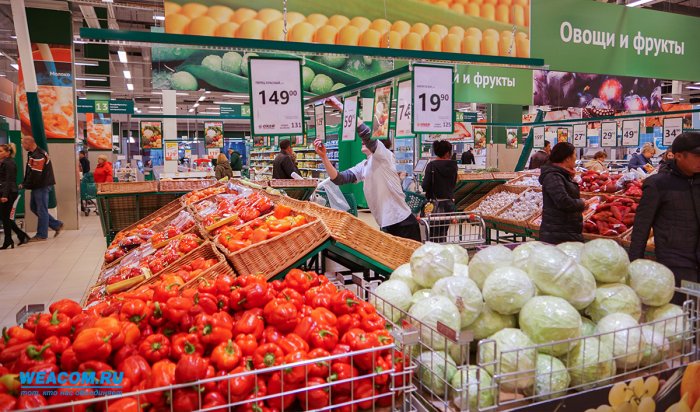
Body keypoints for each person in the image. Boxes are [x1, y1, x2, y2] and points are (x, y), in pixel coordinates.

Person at [315, 98, 421, 242]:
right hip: (386, 224)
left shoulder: (384, 157)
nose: (363, 140)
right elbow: (339, 179)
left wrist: (341, 107)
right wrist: (324, 157)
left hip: (403, 223)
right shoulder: (365, 165)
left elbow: (365, 134)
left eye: (369, 140)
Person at [630, 132, 700, 289]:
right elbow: (642, 226)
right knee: (681, 309)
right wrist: (634, 265)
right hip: (675, 263)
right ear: (679, 156)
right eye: (697, 155)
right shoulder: (658, 184)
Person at [539, 142, 585, 244]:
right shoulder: (553, 176)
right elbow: (563, 201)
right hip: (558, 234)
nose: (575, 158)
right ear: (567, 158)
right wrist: (582, 203)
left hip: (565, 231)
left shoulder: (563, 175)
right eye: (574, 155)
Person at [20, 136, 63, 241]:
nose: (22, 146)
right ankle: (56, 224)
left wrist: (25, 185)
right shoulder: (33, 153)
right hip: (38, 185)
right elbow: (31, 173)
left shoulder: (38, 155)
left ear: (28, 143)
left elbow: (36, 174)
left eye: (23, 144)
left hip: (41, 185)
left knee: (41, 209)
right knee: (34, 208)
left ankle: (42, 235)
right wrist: (25, 183)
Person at [0, 144, 29, 249]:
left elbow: (8, 180)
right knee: (5, 217)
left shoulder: (9, 163)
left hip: (9, 193)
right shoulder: (4, 162)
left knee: (5, 217)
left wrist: (4, 195)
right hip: (6, 191)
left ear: (8, 153)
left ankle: (11, 239)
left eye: (1, 151)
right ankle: (17, 237)